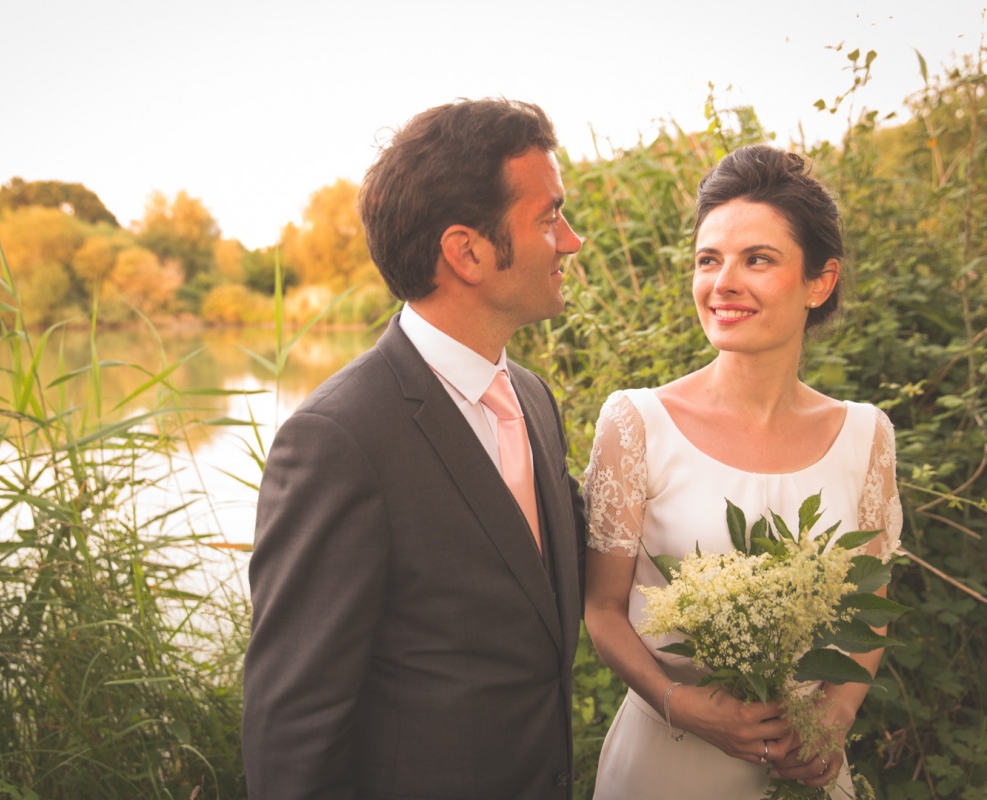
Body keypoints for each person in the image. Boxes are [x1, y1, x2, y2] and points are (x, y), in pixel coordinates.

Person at [241, 98, 587, 800]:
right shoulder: (339, 441)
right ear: (467, 252)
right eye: (549, 217)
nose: (572, 240)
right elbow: (293, 727)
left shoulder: (535, 401)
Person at [582, 144, 903, 799]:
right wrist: (680, 702)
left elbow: (869, 610)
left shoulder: (867, 435)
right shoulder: (637, 424)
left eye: (757, 259)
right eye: (709, 260)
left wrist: (833, 720)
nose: (722, 282)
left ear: (821, 280)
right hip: (665, 765)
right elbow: (602, 611)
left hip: (805, 768)